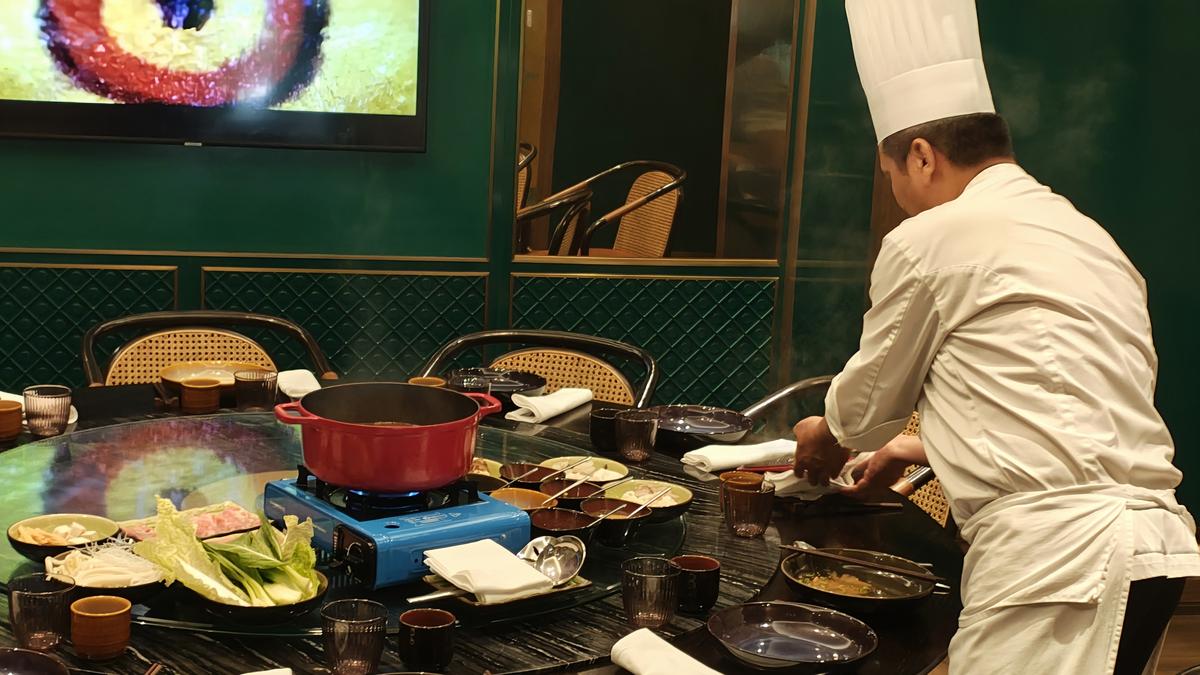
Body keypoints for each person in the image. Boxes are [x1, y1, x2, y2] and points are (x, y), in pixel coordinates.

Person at [790, 1, 1200, 674]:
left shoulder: (930, 238)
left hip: (1057, 565)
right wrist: (918, 445)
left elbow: (861, 415)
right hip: (1155, 552)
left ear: (921, 156)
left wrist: (825, 432)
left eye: (890, 175)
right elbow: (1066, 401)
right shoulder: (1088, 236)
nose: (897, 193)